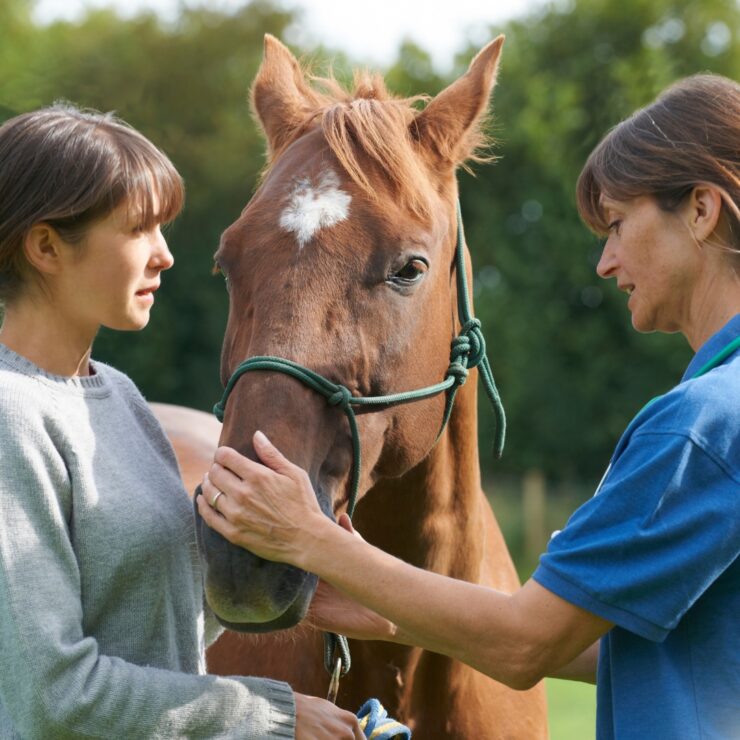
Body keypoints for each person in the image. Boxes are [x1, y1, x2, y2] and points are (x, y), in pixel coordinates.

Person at [198, 73, 740, 739]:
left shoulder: (701, 428)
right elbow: (654, 646)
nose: (605, 262)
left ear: (702, 210)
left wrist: (311, 540)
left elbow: (525, 645)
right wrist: (388, 601)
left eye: (620, 225)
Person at [0, 104, 363, 739]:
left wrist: (297, 579)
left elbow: (148, 631)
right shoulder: (11, 417)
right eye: (139, 229)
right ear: (46, 246)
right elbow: (50, 696)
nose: (165, 255)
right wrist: (271, 716)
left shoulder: (118, 395)